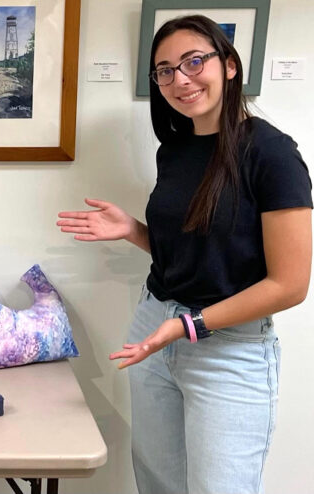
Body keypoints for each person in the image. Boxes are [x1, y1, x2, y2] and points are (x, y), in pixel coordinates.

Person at [56, 15, 312, 494]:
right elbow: (199, 252)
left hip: (228, 349)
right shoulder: (174, 149)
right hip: (155, 328)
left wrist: (189, 326)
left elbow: (290, 284)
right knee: (158, 483)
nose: (181, 79)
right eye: (165, 70)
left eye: (195, 61)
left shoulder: (273, 154)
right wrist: (133, 230)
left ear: (230, 65)